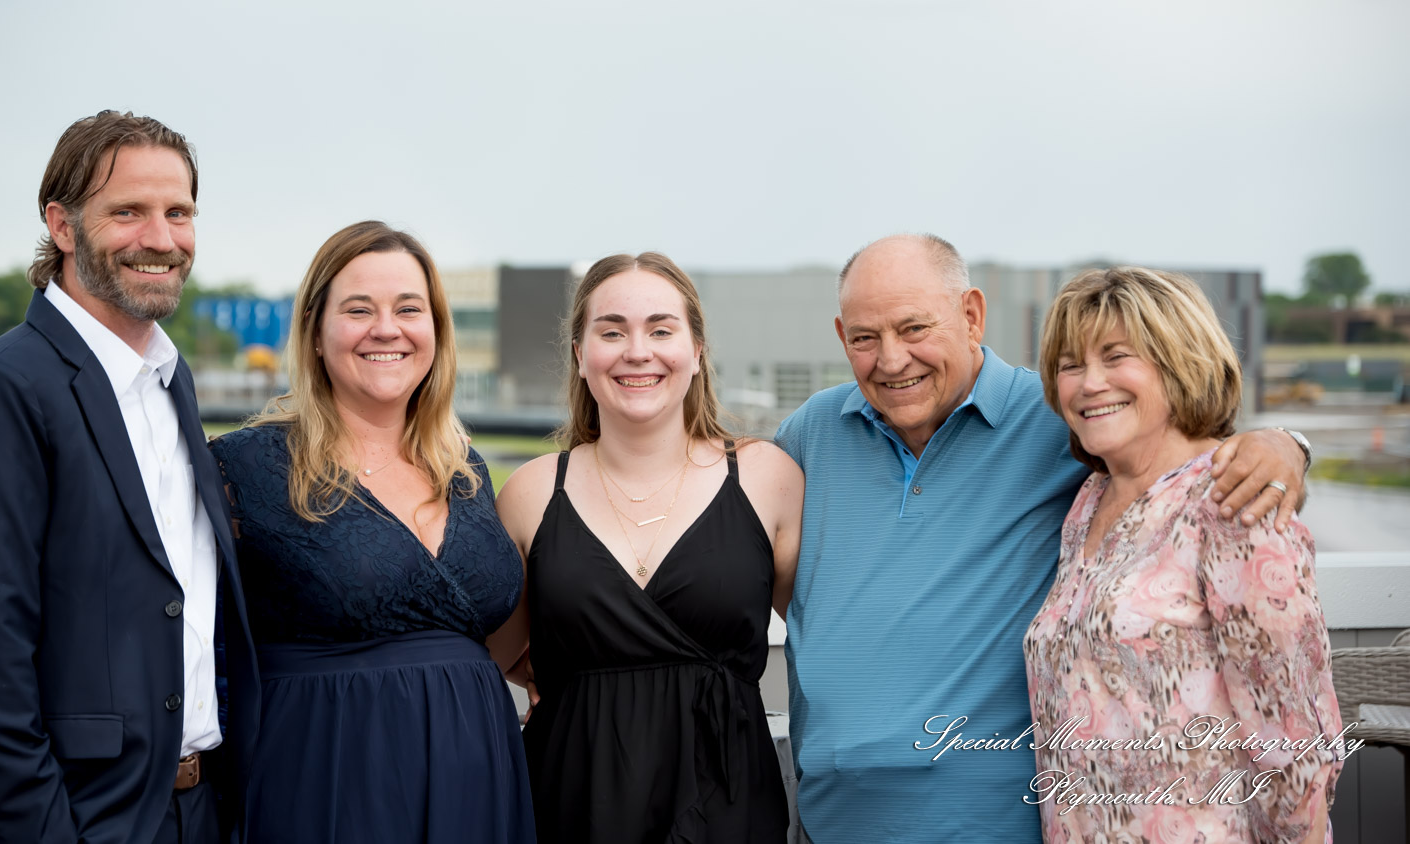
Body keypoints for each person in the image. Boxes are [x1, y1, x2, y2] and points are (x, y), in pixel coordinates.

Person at [773, 234, 1311, 842]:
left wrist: (1286, 445)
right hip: (832, 822)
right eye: (865, 338)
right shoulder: (810, 434)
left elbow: (1186, 453)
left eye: (914, 328)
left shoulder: (1061, 423)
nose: (892, 360)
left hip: (1004, 825)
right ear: (842, 337)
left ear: (971, 314)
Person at [0, 110, 258, 844]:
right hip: (84, 821)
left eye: (178, 213)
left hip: (200, 812)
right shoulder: (0, 391)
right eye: (128, 211)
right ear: (62, 225)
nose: (161, 238)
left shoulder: (169, 378)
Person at [208, 220, 535, 844]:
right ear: (315, 331)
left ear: (436, 329)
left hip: (476, 774)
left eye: (409, 309)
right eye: (359, 310)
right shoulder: (244, 467)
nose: (387, 329)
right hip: (326, 774)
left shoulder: (465, 471)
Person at [1025, 266, 1342, 843]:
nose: (1090, 383)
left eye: (1116, 357)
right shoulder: (1089, 501)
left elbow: (1296, 743)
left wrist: (1289, 445)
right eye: (1070, 365)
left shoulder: (1232, 500)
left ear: (1179, 364)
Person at [498, 252, 802, 843]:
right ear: (580, 354)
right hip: (571, 800)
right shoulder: (530, 492)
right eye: (612, 332)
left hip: (726, 804)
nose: (638, 351)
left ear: (697, 351)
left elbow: (826, 637)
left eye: (661, 330)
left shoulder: (768, 479)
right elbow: (486, 653)